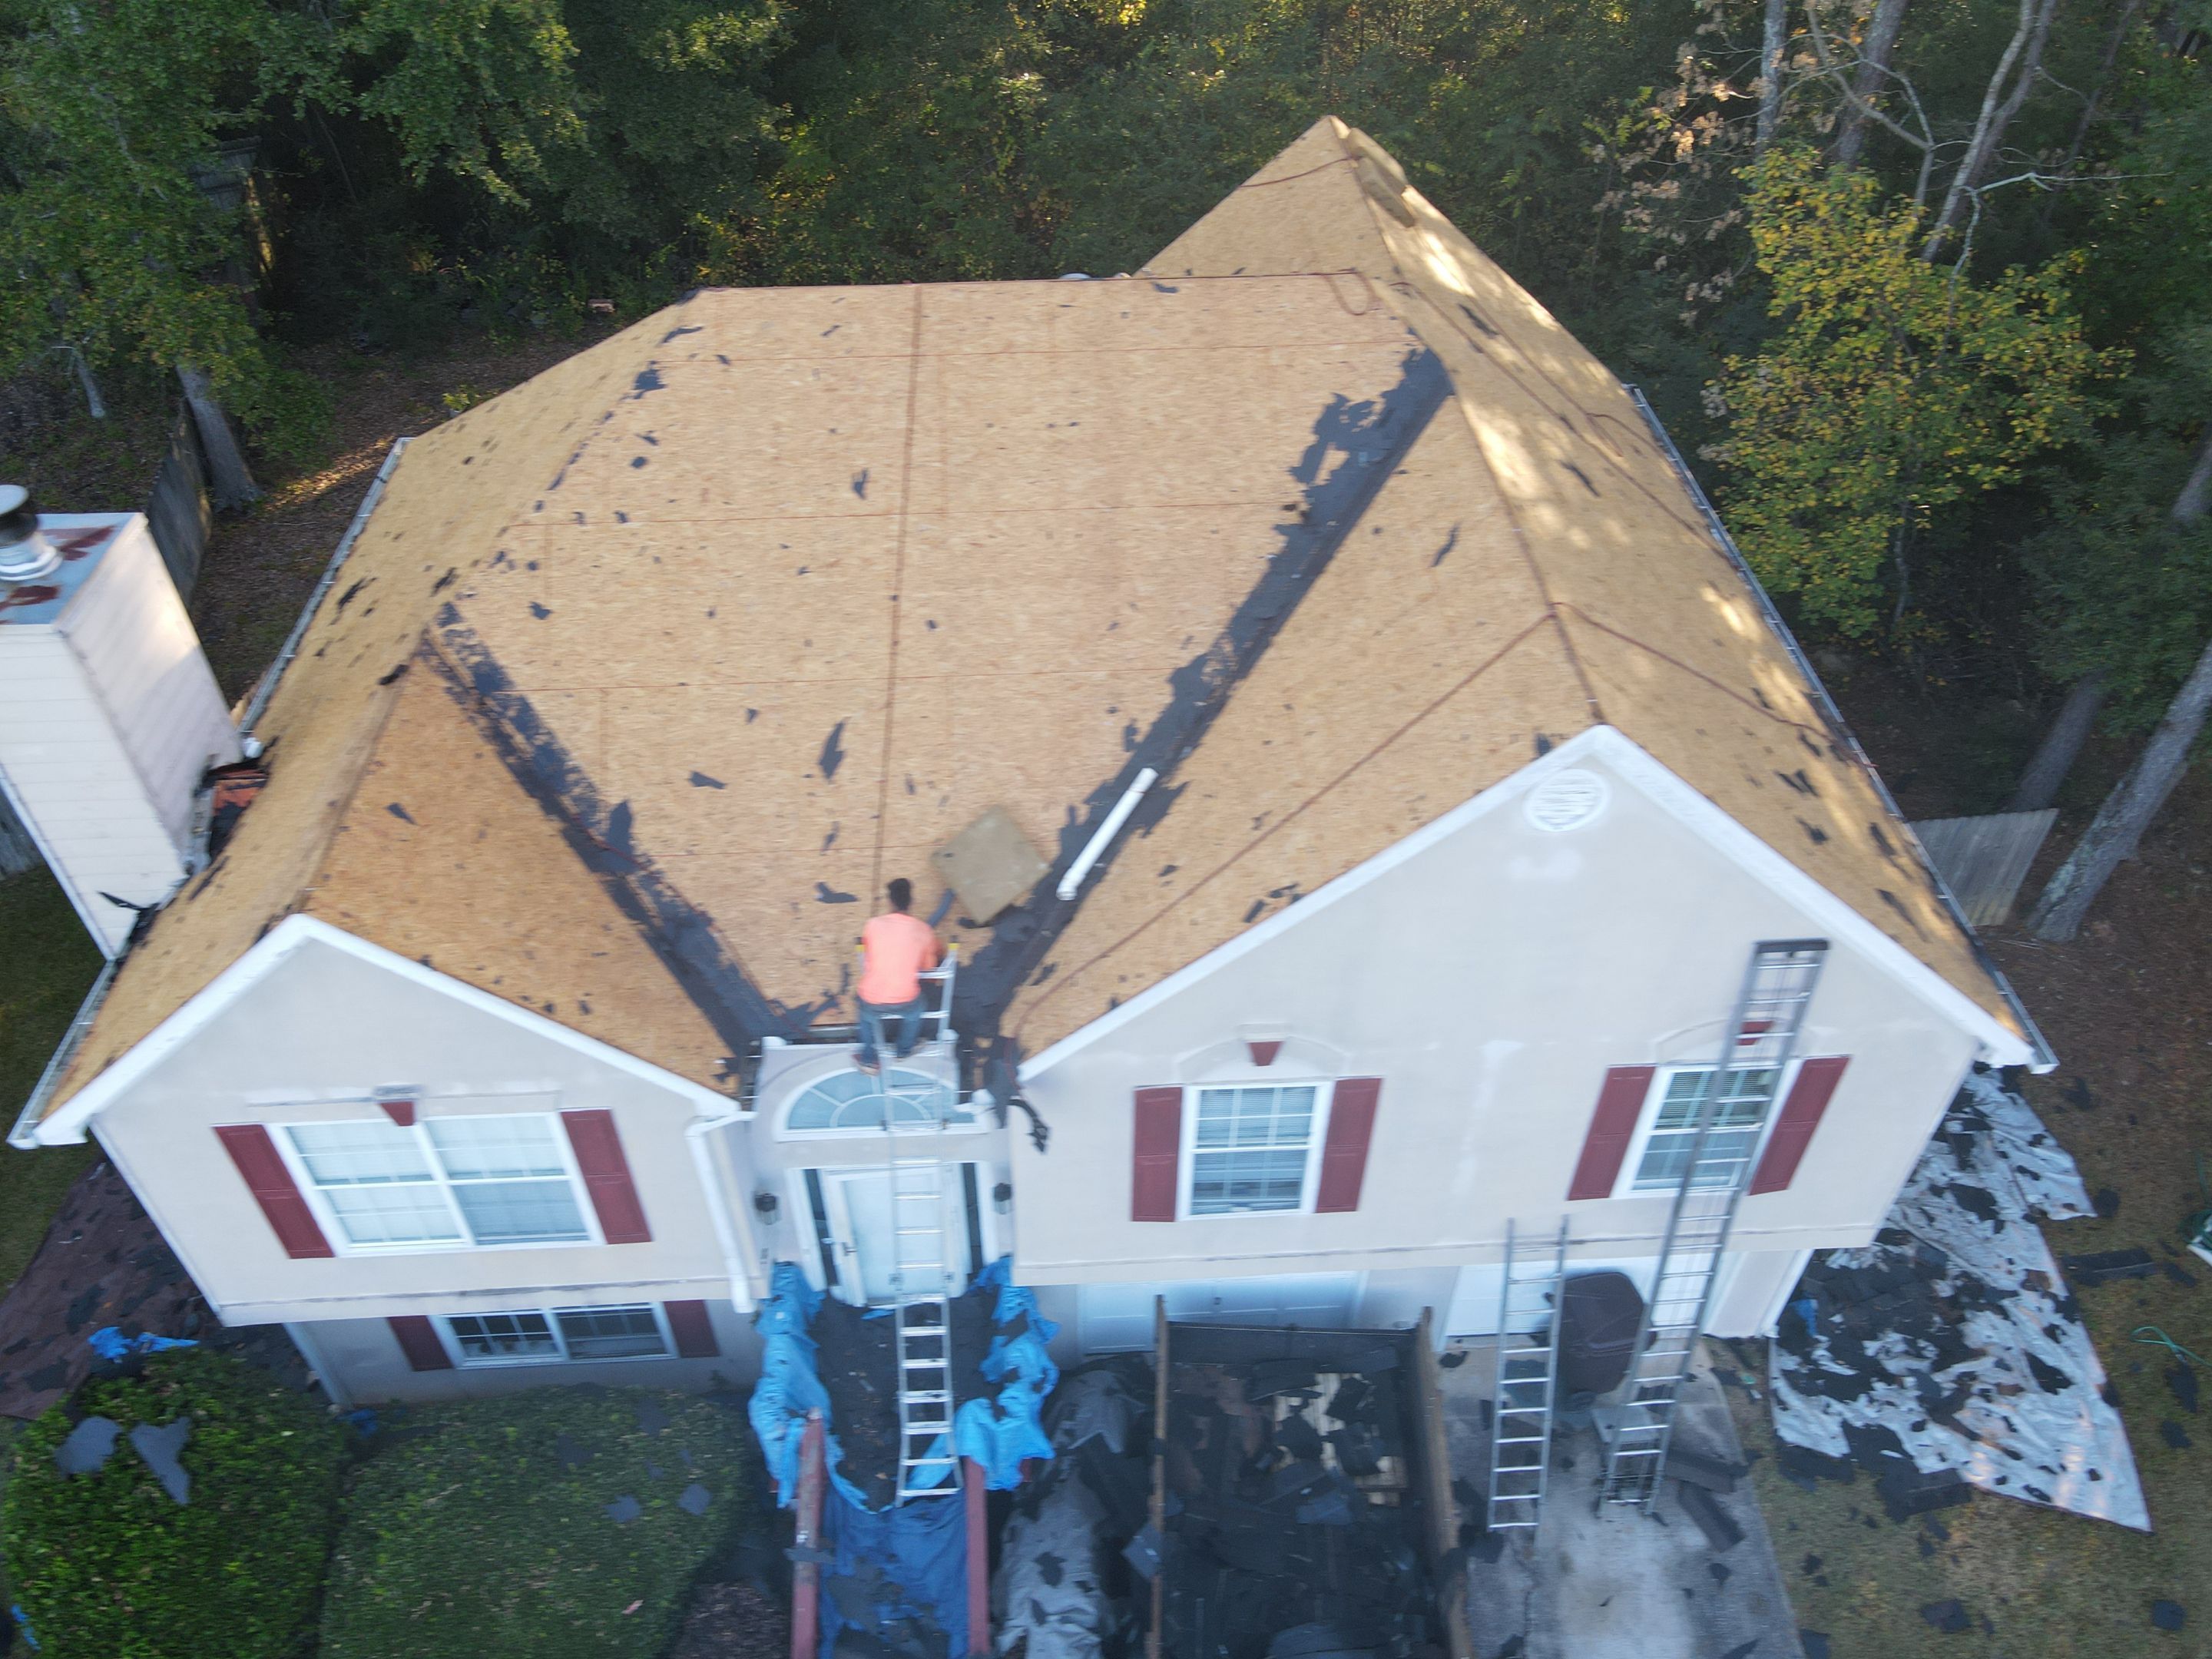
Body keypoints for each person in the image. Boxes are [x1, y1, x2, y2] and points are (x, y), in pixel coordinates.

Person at [854, 877, 943, 1072]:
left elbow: (868, 955)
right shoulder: (924, 930)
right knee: (916, 1011)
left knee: (865, 1014)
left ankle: (869, 1059)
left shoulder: (873, 925)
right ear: (911, 903)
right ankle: (903, 1051)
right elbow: (929, 969)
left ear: (890, 902)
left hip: (871, 999)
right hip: (906, 1000)